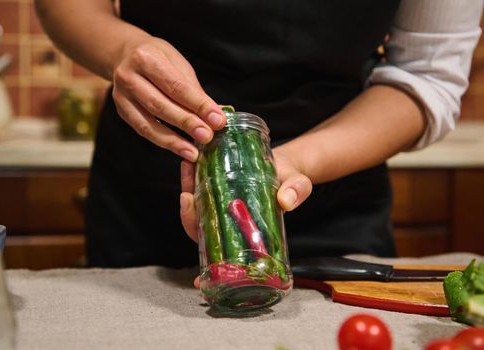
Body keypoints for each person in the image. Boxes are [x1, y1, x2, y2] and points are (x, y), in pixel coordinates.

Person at [35, 0, 483, 269]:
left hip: (333, 202)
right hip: (146, 197)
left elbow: (427, 75)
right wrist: (122, 48)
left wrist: (294, 165)